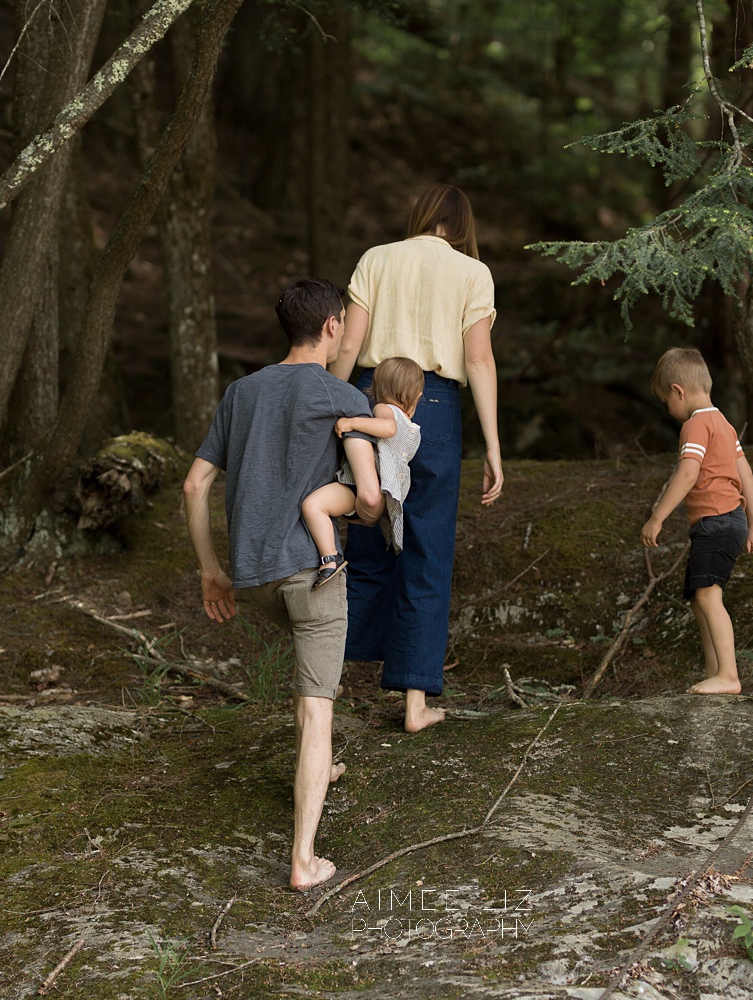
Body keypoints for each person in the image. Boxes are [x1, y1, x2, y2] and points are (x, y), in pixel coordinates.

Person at [182, 277, 384, 890]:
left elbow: (194, 485)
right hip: (310, 574)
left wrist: (211, 569)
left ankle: (321, 768)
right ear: (331, 327)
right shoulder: (339, 394)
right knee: (318, 704)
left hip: (253, 577)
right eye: (346, 322)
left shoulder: (241, 392)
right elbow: (371, 503)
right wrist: (360, 508)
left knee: (307, 671)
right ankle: (303, 859)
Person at [329, 183, 503, 732]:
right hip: (434, 407)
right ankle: (414, 703)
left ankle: (327, 689)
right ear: (462, 224)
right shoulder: (473, 273)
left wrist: (329, 412)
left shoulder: (376, 259)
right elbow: (478, 361)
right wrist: (494, 445)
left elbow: (349, 347)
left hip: (366, 396)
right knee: (426, 548)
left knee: (358, 536)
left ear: (421, 216)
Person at [639, 347, 753, 695]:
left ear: (679, 391)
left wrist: (657, 517)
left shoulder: (696, 425)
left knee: (709, 597)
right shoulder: (724, 424)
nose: (669, 409)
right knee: (700, 597)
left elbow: (687, 473)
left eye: (667, 400)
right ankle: (716, 670)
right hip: (731, 520)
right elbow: (745, 472)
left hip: (716, 521)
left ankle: (728, 675)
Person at [300, 357, 426, 588]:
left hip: (360, 485)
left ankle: (329, 558)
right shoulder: (414, 430)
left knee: (313, 506)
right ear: (417, 395)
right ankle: (332, 558)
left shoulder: (383, 409)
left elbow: (387, 428)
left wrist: (351, 423)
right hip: (389, 494)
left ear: (377, 389)